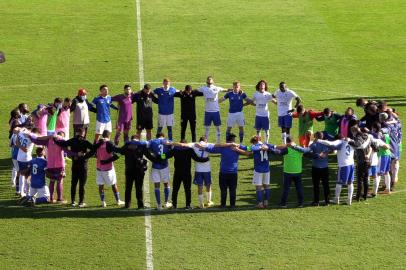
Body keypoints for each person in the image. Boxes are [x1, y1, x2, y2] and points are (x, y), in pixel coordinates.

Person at [201, 134, 246, 208]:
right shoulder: (237, 147)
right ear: (233, 140)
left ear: (227, 140)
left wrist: (202, 147)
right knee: (233, 190)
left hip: (223, 173)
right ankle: (232, 205)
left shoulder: (223, 148)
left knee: (223, 190)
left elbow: (211, 149)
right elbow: (248, 150)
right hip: (233, 173)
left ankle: (223, 205)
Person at [54, 127, 93, 207]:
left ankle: (73, 201)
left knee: (73, 183)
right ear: (83, 133)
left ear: (77, 132)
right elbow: (94, 149)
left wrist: (54, 139)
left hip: (75, 165)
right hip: (83, 165)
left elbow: (62, 144)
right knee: (82, 184)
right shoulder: (85, 142)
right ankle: (81, 202)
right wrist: (86, 156)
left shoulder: (72, 140)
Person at [29, 131, 68, 204]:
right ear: (62, 136)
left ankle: (51, 198)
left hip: (50, 164)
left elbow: (36, 141)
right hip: (59, 164)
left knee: (52, 181)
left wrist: (30, 134)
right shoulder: (62, 141)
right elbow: (67, 151)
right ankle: (59, 199)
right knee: (59, 181)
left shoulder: (48, 140)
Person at [89, 130, 124, 207]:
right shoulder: (109, 143)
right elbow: (118, 153)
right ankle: (118, 200)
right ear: (109, 135)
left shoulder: (98, 143)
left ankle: (103, 202)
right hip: (108, 168)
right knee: (114, 184)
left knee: (100, 185)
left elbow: (92, 152)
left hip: (99, 168)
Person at [317, 136, 356, 205]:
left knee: (339, 183)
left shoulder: (340, 141)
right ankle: (349, 200)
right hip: (351, 164)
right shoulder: (352, 141)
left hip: (344, 165)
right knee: (350, 182)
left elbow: (330, 143)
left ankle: (336, 199)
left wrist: (319, 140)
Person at [171, 140, 209, 209]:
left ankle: (174, 205)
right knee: (187, 189)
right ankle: (188, 205)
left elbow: (167, 155)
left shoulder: (175, 149)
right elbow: (196, 159)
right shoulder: (189, 150)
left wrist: (159, 157)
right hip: (186, 173)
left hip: (177, 173)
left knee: (175, 189)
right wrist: (206, 159)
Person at [272, 137, 308, 208]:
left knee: (286, 189)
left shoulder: (286, 149)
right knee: (299, 188)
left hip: (288, 172)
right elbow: (306, 151)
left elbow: (278, 152)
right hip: (298, 172)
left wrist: (269, 149)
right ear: (293, 141)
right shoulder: (299, 149)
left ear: (287, 142)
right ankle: (301, 204)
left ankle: (283, 204)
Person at [198, 76, 227, 143]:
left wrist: (233, 89)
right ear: (206, 82)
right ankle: (206, 143)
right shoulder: (203, 88)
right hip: (207, 112)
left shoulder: (217, 88)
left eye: (210, 82)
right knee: (207, 129)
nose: (209, 83)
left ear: (213, 82)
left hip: (216, 112)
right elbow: (195, 91)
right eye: (208, 82)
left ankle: (218, 143)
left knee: (218, 129)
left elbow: (225, 90)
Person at [348, 126, 372, 201]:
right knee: (365, 179)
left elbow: (358, 144)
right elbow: (372, 146)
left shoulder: (358, 137)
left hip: (361, 161)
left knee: (360, 180)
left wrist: (349, 141)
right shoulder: (366, 136)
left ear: (354, 132)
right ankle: (364, 196)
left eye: (352, 132)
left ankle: (358, 197)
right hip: (368, 161)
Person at [309, 132, 332, 206]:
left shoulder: (313, 144)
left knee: (316, 185)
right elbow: (330, 150)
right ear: (322, 137)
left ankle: (316, 201)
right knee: (326, 185)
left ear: (316, 137)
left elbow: (308, 151)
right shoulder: (326, 144)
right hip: (325, 168)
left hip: (315, 167)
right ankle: (327, 201)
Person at [14, 126, 36, 198]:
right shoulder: (31, 138)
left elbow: (16, 143)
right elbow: (25, 150)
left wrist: (19, 145)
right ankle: (27, 193)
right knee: (27, 176)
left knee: (21, 174)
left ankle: (21, 191)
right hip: (27, 159)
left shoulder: (21, 134)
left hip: (19, 158)